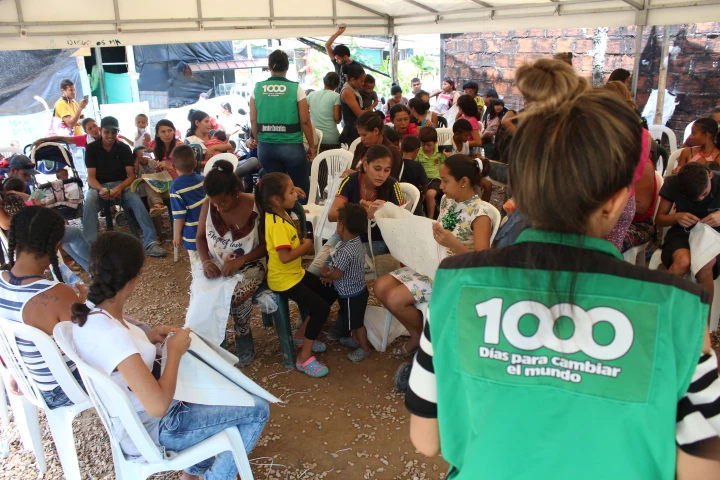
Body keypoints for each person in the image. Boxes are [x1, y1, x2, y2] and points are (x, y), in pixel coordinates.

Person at [405, 88, 720, 479]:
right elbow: (702, 471)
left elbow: (426, 438)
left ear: (521, 196)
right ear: (615, 200)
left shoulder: (456, 286)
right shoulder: (681, 312)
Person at [70, 231, 269, 476]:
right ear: (134, 279)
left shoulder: (89, 314)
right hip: (156, 428)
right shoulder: (113, 335)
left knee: (219, 390)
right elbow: (158, 406)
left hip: (137, 420)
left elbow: (120, 356)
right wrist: (173, 353)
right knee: (258, 409)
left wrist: (148, 337)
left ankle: (192, 472)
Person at [375, 154, 492, 361]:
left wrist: (453, 244)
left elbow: (482, 264)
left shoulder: (480, 214)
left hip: (454, 275)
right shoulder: (448, 200)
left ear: (464, 182)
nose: (441, 187)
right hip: (431, 262)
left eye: (446, 181)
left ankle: (424, 338)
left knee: (395, 298)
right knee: (380, 286)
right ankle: (420, 334)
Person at [0, 207, 87, 408]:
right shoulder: (57, 293)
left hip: (28, 381)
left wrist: (15, 371)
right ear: (56, 246)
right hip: (65, 388)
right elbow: (87, 339)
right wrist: (83, 304)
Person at [308, 145, 405, 320]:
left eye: (386, 170)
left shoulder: (393, 185)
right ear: (365, 165)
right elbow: (331, 215)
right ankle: (315, 313)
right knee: (314, 271)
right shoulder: (351, 181)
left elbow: (402, 223)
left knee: (335, 267)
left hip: (377, 241)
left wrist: (382, 213)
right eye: (377, 168)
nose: (382, 174)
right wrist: (361, 212)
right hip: (344, 235)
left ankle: (337, 317)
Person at [256, 173, 337, 377]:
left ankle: (301, 335)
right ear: (276, 199)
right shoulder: (277, 223)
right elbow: (285, 257)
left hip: (295, 273)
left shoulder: (281, 213)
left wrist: (293, 193)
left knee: (329, 290)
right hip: (283, 280)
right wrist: (306, 246)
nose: (295, 194)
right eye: (291, 191)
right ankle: (303, 357)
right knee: (321, 309)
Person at [195, 160, 267, 364]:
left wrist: (241, 260)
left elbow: (267, 245)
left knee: (236, 294)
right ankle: (215, 339)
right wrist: (206, 262)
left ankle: (243, 334)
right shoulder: (209, 205)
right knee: (204, 295)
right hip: (217, 264)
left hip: (251, 264)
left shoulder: (255, 205)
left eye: (223, 202)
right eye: (214, 202)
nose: (218, 207)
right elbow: (200, 238)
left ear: (236, 191)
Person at [81, 116, 167, 258]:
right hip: (100, 186)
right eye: (107, 132)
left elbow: (131, 176)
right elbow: (91, 177)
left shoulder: (123, 148)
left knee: (136, 199)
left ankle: (150, 243)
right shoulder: (91, 148)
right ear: (101, 131)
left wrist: (119, 188)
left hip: (122, 184)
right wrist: (100, 189)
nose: (110, 136)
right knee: (89, 199)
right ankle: (90, 248)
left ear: (117, 133)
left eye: (113, 132)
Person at [251, 50, 315, 202]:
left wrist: (259, 142)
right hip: (291, 147)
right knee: (299, 189)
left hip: (266, 148)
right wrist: (312, 145)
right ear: (287, 66)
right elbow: (305, 121)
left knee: (276, 192)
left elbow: (253, 120)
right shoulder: (295, 88)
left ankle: (278, 223)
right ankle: (301, 222)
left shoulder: (258, 88)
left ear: (269, 66)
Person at [656, 162, 720, 304]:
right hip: (683, 232)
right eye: (693, 197)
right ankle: (658, 305)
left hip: (715, 236)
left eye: (704, 194)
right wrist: (676, 217)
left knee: (705, 264)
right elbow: (659, 219)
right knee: (682, 262)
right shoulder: (673, 183)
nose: (700, 200)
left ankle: (704, 322)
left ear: (710, 176)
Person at [319, 203, 371, 362]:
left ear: (341, 225)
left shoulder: (344, 250)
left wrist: (327, 273)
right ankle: (355, 340)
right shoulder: (356, 243)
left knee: (356, 323)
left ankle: (364, 347)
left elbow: (338, 273)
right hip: (358, 290)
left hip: (350, 295)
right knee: (354, 320)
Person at [169, 146, 206, 266]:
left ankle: (199, 283)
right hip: (208, 229)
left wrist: (177, 234)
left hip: (193, 235)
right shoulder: (203, 180)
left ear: (174, 167)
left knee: (197, 265)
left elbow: (180, 216)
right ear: (195, 164)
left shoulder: (176, 188)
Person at [351, 112, 402, 179]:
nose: (362, 139)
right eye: (360, 135)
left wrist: (356, 176)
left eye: (364, 135)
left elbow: (388, 182)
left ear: (376, 131)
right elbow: (352, 169)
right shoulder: (361, 147)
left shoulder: (392, 152)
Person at [307, 72, 342, 152]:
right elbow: (337, 119)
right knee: (332, 164)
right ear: (337, 85)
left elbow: (304, 113)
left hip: (315, 138)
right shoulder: (336, 96)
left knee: (317, 163)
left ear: (324, 81)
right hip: (331, 140)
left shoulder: (311, 95)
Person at [416, 126, 446, 219]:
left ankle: (430, 218)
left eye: (429, 145)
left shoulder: (440, 152)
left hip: (436, 179)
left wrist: (447, 156)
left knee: (429, 194)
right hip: (422, 180)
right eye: (423, 144)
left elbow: (447, 167)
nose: (425, 148)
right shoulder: (418, 151)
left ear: (436, 142)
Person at [339, 63, 370, 146]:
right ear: (353, 79)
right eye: (361, 81)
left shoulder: (353, 90)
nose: (363, 84)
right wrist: (369, 111)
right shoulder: (347, 92)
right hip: (352, 129)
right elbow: (359, 113)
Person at [399, 135, 429, 215]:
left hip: (399, 196)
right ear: (417, 150)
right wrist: (424, 194)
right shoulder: (417, 166)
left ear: (401, 149)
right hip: (414, 196)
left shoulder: (397, 163)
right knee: (419, 217)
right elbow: (424, 184)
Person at [33, 117, 101, 148]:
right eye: (90, 129)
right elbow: (62, 138)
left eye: (94, 126)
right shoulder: (84, 139)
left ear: (98, 124)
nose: (94, 129)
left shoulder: (106, 132)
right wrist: (42, 140)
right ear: (86, 132)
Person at [325, 25, 353, 92]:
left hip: (349, 95)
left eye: (338, 58)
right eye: (336, 59)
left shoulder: (355, 67)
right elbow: (327, 45)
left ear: (345, 57)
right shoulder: (337, 63)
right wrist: (338, 33)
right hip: (338, 94)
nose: (336, 60)